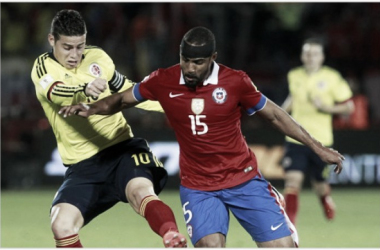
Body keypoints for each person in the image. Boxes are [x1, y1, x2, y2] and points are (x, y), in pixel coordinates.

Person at [60, 27, 345, 248]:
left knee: (281, 247)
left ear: (213, 58)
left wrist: (317, 147)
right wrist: (91, 108)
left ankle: (274, 208)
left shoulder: (236, 82)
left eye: (198, 62)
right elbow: (121, 100)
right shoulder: (163, 79)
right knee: (210, 246)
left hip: (243, 178)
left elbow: (274, 115)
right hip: (199, 187)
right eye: (185, 60)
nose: (190, 68)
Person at [31, 9, 187, 248]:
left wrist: (171, 105)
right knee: (61, 224)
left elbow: (128, 90)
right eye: (67, 47)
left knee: (141, 193)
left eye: (80, 46)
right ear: (52, 40)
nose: (75, 55)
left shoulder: (98, 58)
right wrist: (84, 91)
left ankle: (171, 236)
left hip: (121, 149)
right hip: (83, 166)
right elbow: (56, 92)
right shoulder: (43, 67)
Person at [280, 37, 354, 225]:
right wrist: (279, 112)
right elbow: (292, 98)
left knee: (320, 185)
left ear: (321, 57)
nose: (310, 57)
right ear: (302, 56)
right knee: (292, 181)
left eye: (314, 54)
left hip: (321, 141)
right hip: (296, 138)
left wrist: (327, 108)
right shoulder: (294, 75)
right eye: (307, 53)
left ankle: (324, 199)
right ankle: (290, 226)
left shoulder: (332, 77)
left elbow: (349, 107)